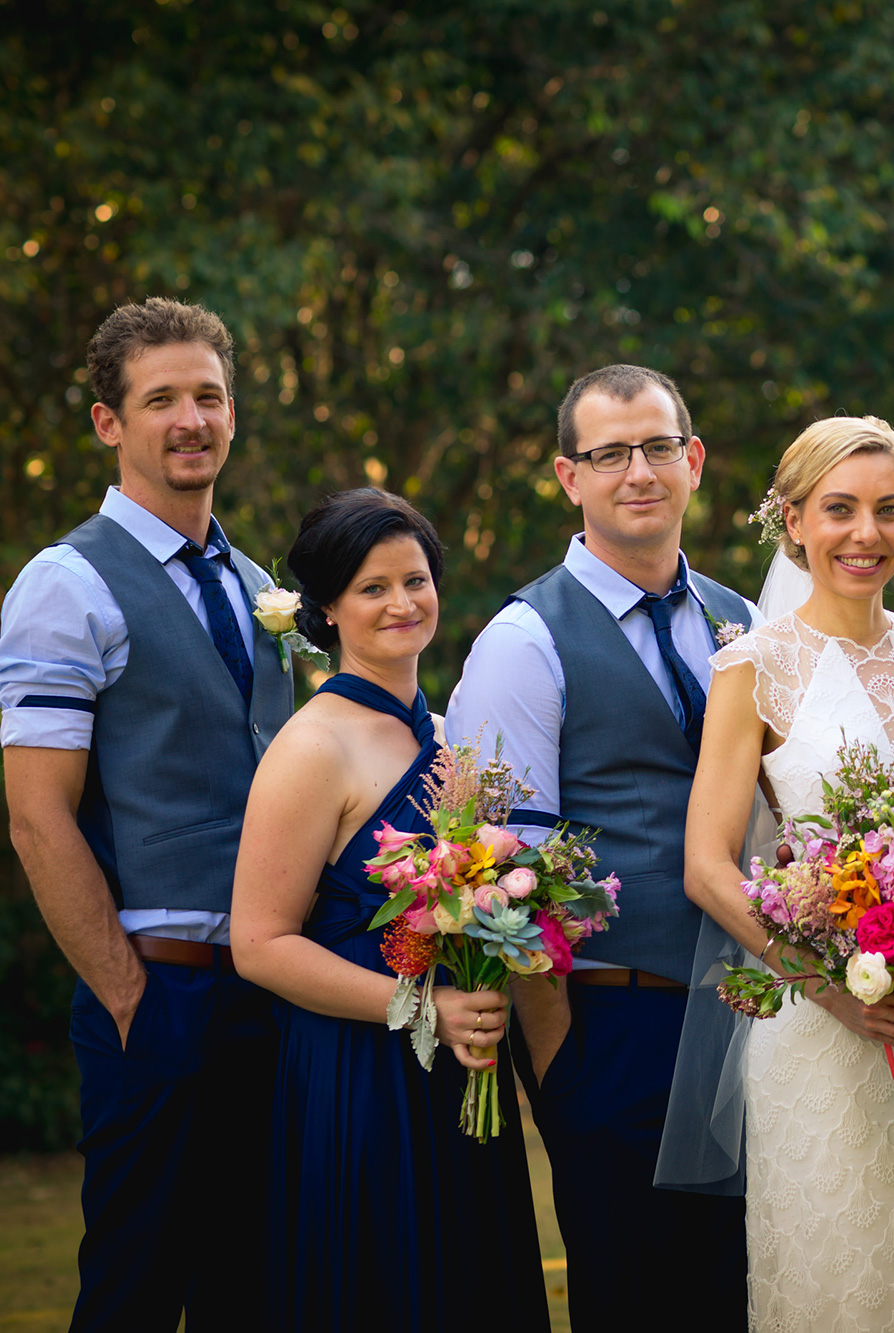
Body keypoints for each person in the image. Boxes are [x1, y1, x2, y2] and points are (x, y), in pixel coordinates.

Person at [675, 415, 894, 1331]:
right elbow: (709, 867)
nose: (865, 533)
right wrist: (831, 988)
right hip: (822, 1032)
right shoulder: (751, 669)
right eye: (839, 509)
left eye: (889, 510)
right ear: (792, 520)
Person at [0, 298, 293, 1330]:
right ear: (107, 424)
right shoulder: (65, 585)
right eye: (160, 398)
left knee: (252, 1293)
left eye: (208, 396)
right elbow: (38, 819)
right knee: (133, 1288)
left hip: (267, 1004)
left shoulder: (260, 587)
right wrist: (128, 996)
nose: (190, 419)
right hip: (157, 997)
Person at [445, 365, 756, 1324]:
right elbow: (505, 874)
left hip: (751, 1022)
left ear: (692, 460)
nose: (639, 471)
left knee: (741, 1290)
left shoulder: (740, 621)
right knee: (635, 1293)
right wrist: (565, 1065)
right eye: (609, 453)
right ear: (568, 475)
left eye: (658, 446)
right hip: (614, 1026)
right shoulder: (524, 638)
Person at [229, 489, 547, 1328]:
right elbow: (259, 942)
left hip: (458, 1069)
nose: (403, 602)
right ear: (326, 608)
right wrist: (422, 1007)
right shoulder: (312, 746)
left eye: (416, 579)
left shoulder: (449, 738)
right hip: (356, 1073)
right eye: (373, 587)